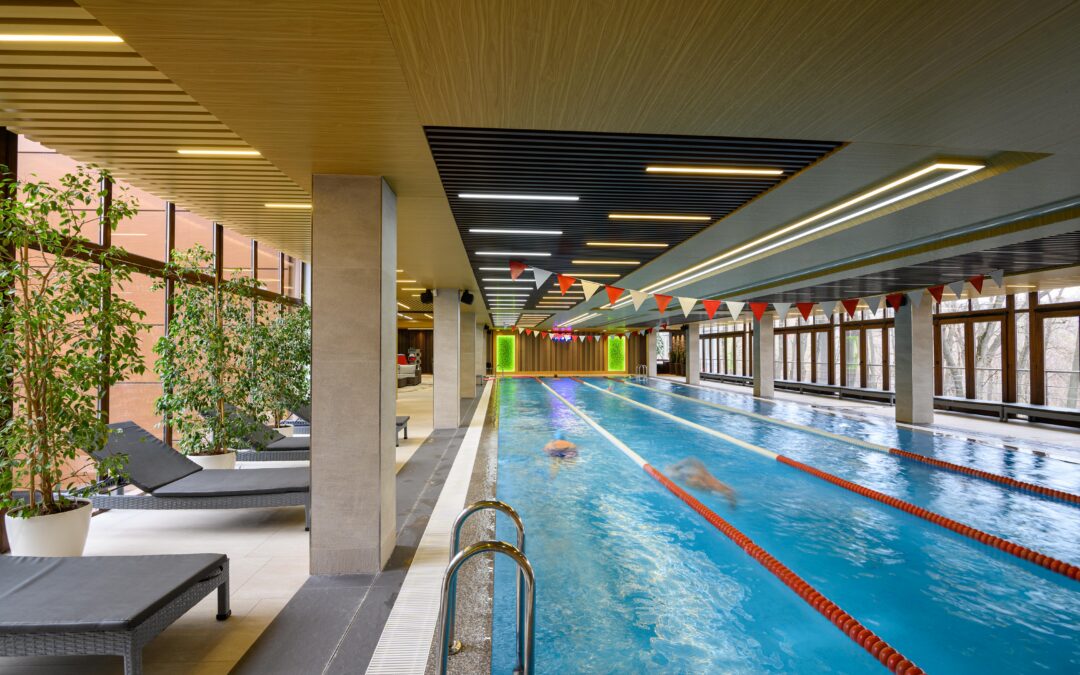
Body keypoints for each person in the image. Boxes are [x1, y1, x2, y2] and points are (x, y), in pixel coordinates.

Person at [668, 458, 737, 509]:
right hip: (695, 481)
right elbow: (692, 460)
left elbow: (692, 460)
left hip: (695, 482)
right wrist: (677, 466)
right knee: (674, 474)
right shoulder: (705, 476)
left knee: (673, 474)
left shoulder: (710, 483)